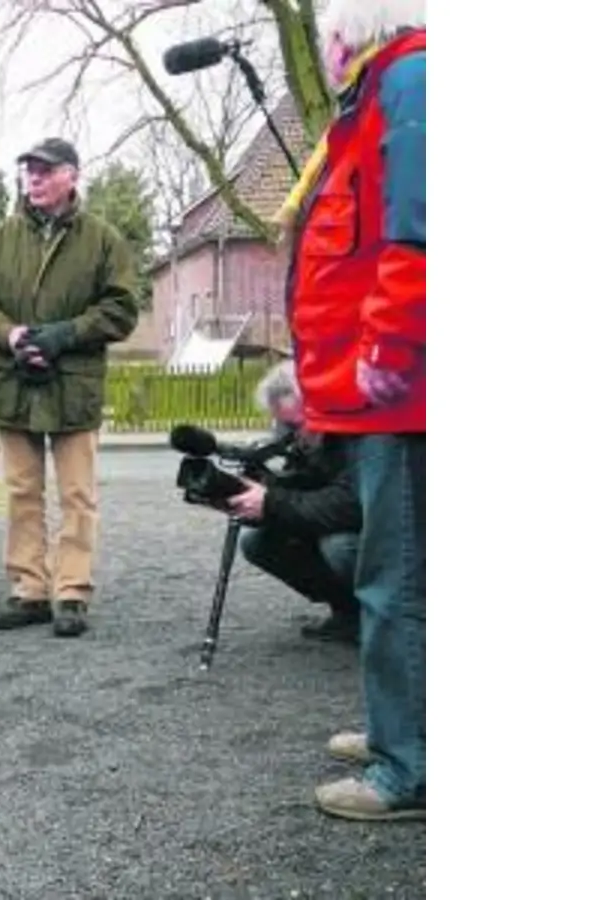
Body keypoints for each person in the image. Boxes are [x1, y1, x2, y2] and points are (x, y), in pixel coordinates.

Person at [283, 0, 426, 821]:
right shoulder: (380, 96)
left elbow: (416, 236)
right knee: (391, 571)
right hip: (383, 389)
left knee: (394, 580)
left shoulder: (408, 82)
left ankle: (406, 769)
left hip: (402, 393)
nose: (326, 46)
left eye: (331, 29)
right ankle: (395, 731)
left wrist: (386, 345)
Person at [0, 138, 140, 638]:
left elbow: (123, 307)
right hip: (15, 380)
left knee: (77, 494)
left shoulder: (102, 240)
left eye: (45, 171)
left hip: (73, 384)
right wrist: (11, 333)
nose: (34, 179)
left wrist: (67, 334)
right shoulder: (0, 239)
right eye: (29, 171)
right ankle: (29, 590)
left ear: (72, 176)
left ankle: (72, 592)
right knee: (21, 491)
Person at [229, 362, 362, 645]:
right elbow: (305, 487)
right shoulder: (303, 441)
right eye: (284, 425)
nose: (293, 435)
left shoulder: (355, 433)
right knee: (258, 543)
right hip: (341, 517)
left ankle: (380, 617)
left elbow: (350, 505)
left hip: (376, 527)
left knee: (339, 546)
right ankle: (348, 612)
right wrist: (253, 499)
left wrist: (272, 502)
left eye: (296, 424)